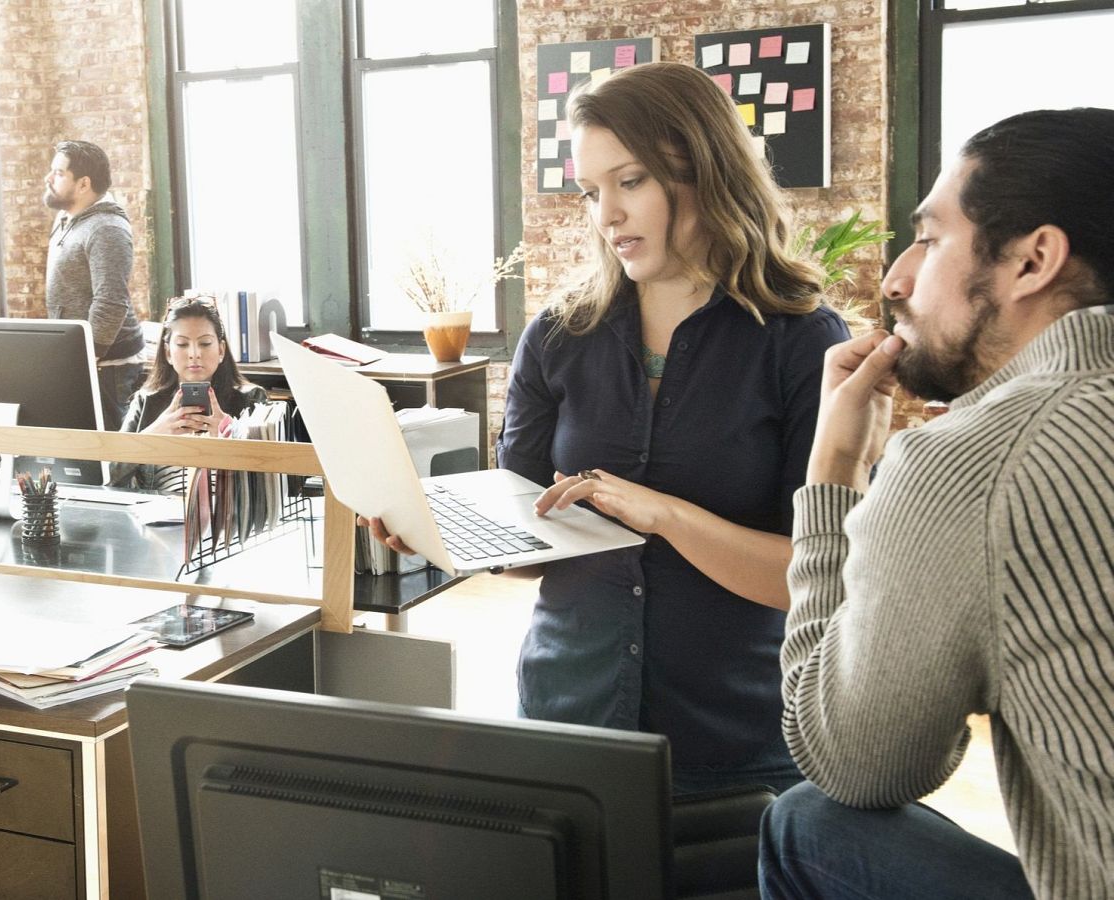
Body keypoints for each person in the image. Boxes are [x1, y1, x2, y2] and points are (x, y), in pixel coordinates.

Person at [365, 62, 848, 793]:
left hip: (738, 743)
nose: (607, 215)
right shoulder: (558, 336)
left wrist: (665, 516)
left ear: (707, 169)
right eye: (591, 192)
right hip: (567, 722)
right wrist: (444, 539)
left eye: (631, 181)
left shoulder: (802, 340)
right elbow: (529, 549)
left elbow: (812, 577)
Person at [759, 108, 1114, 899]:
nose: (895, 280)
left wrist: (833, 468)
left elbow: (853, 762)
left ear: (1033, 261)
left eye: (929, 239)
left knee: (808, 822)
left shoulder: (975, 461)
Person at [109, 295, 266, 493]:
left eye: (205, 343)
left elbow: (272, 480)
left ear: (221, 351)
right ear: (168, 353)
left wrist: (232, 433)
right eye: (182, 344)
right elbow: (111, 476)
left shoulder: (252, 400)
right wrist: (153, 434)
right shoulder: (146, 401)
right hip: (160, 510)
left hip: (228, 510)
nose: (194, 354)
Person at [43, 139, 145, 429]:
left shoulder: (107, 228)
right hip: (82, 358)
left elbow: (110, 302)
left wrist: (86, 357)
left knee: (110, 450)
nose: (48, 178)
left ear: (83, 184)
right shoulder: (66, 217)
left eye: (58, 173)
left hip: (108, 366)